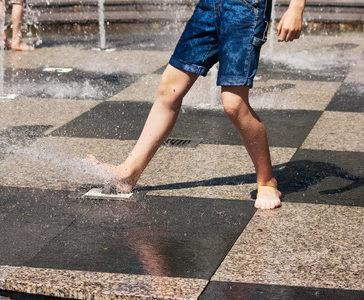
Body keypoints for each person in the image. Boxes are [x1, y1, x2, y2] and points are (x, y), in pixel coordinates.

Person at [87, 0, 305, 210]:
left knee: (234, 103)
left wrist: (296, 7)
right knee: (169, 88)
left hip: (246, 9)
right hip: (209, 6)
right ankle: (129, 172)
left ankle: (267, 182)